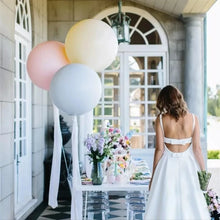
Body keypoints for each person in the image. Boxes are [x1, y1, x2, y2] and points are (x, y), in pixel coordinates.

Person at [145, 85, 210, 220]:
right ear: (179, 98)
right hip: (189, 165)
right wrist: (203, 174)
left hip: (167, 166)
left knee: (166, 204)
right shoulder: (193, 118)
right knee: (191, 204)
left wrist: (153, 176)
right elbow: (197, 149)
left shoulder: (161, 120)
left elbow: (159, 149)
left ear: (163, 100)